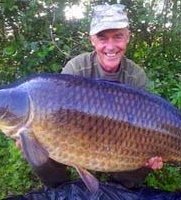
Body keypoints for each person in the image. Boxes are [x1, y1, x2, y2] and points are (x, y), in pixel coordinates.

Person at [16, 3, 163, 190]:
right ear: (92, 40)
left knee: (145, 156)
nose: (110, 46)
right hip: (77, 139)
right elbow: (59, 112)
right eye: (102, 38)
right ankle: (62, 189)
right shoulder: (75, 69)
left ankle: (119, 189)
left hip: (121, 142)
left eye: (117, 36)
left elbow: (146, 122)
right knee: (35, 148)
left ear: (127, 38)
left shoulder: (136, 75)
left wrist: (150, 154)